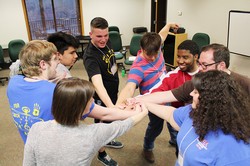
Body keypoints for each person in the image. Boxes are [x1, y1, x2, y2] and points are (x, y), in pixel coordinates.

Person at [6, 40, 147, 145]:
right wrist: (135, 113)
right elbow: (105, 113)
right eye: (55, 60)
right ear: (43, 64)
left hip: (33, 147)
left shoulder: (13, 83)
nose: (58, 64)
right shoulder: (59, 93)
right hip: (60, 150)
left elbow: (35, 93)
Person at [23, 77, 148, 166]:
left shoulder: (36, 128)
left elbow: (28, 163)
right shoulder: (93, 134)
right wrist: (142, 112)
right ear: (80, 109)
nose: (93, 100)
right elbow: (123, 125)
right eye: (90, 100)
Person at [144, 70, 250, 166]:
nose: (190, 94)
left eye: (195, 92)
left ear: (209, 98)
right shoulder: (196, 111)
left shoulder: (237, 151)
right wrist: (144, 104)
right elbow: (171, 114)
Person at [115, 23, 179, 163]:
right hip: (153, 102)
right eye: (148, 54)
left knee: (173, 119)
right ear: (142, 49)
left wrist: (168, 25)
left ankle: (175, 139)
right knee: (156, 126)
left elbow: (162, 34)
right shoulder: (138, 67)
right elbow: (130, 87)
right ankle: (147, 148)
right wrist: (118, 106)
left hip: (168, 93)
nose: (152, 57)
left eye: (155, 53)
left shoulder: (157, 45)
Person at [131, 43, 250, 106]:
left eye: (205, 65)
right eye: (200, 64)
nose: (201, 69)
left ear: (221, 66)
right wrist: (135, 100)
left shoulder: (244, 84)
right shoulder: (199, 81)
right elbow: (166, 95)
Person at [148, 39, 199, 158]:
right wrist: (137, 100)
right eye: (178, 56)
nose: (180, 61)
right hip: (179, 117)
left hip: (200, 121)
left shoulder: (206, 72)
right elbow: (154, 92)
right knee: (180, 149)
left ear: (196, 57)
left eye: (185, 57)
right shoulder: (173, 75)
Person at [83, 17, 123, 166]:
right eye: (99, 36)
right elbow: (98, 85)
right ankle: (102, 153)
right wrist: (111, 107)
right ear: (91, 34)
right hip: (101, 95)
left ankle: (109, 139)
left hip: (112, 89)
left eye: (105, 35)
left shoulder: (107, 41)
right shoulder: (90, 56)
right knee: (101, 125)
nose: (103, 39)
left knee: (108, 123)